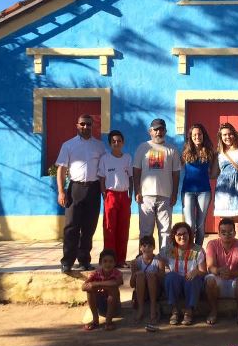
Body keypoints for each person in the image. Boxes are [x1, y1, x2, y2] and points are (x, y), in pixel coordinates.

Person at [56, 114, 106, 273]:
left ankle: (84, 260)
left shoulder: (99, 146)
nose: (86, 127)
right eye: (83, 124)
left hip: (93, 189)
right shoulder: (68, 145)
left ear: (93, 126)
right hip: (75, 188)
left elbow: (104, 169)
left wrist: (105, 190)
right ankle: (67, 261)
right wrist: (61, 191)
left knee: (89, 227)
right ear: (77, 125)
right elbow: (61, 169)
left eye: (89, 124)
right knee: (71, 227)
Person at [133, 118, 181, 249]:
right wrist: (137, 191)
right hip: (145, 196)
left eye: (161, 129)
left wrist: (174, 193)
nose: (158, 132)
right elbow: (136, 171)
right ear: (150, 131)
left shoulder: (172, 150)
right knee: (145, 231)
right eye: (156, 129)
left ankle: (163, 259)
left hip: (165, 196)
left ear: (165, 131)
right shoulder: (142, 148)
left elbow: (176, 174)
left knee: (165, 230)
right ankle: (144, 259)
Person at [204, 217, 238, 325]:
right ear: (219, 233)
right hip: (218, 280)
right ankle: (213, 311)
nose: (227, 234)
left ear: (235, 233)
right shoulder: (212, 244)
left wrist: (229, 273)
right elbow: (210, 267)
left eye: (230, 232)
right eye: (223, 232)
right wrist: (219, 271)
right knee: (210, 280)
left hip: (235, 280)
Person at [98, 129, 133, 267]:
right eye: (113, 141)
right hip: (110, 195)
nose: (116, 143)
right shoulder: (105, 159)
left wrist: (130, 194)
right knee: (109, 228)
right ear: (110, 144)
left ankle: (121, 260)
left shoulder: (127, 158)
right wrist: (104, 194)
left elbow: (131, 178)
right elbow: (101, 179)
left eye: (119, 141)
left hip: (124, 196)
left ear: (123, 143)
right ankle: (109, 260)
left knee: (123, 228)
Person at [160, 222, 206, 326]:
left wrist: (196, 271)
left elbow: (204, 271)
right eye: (178, 234)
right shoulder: (168, 249)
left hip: (190, 282)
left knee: (194, 278)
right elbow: (158, 260)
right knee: (170, 276)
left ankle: (189, 311)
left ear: (190, 234)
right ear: (174, 236)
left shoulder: (197, 250)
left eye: (185, 233)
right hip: (175, 283)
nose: (182, 237)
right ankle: (174, 310)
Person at [212, 123, 238, 242]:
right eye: (224, 135)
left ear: (234, 134)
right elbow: (214, 174)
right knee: (225, 227)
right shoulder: (219, 153)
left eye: (230, 134)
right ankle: (226, 255)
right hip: (224, 193)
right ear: (221, 137)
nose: (227, 137)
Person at [181, 123, 216, 246]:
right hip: (187, 191)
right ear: (190, 137)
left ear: (203, 136)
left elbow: (214, 172)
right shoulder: (185, 152)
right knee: (190, 224)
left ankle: (197, 252)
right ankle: (189, 250)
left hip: (204, 192)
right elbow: (175, 168)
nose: (197, 137)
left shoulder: (210, 152)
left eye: (199, 134)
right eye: (194, 134)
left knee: (200, 225)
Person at [82, 248, 123, 331]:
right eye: (105, 261)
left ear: (115, 263)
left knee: (112, 288)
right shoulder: (95, 273)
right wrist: (93, 286)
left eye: (111, 261)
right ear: (100, 263)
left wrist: (97, 284)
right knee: (90, 289)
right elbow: (83, 287)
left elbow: (116, 283)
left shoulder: (117, 273)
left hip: (114, 308)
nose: (108, 264)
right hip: (100, 307)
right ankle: (95, 320)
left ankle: (108, 321)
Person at [130, 235, 165, 330]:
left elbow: (163, 280)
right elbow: (132, 284)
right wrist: (135, 274)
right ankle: (140, 309)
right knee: (141, 275)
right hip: (142, 292)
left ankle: (153, 307)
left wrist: (155, 275)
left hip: (156, 291)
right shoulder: (136, 262)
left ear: (154, 247)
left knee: (150, 275)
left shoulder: (159, 260)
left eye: (150, 246)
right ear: (140, 248)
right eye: (144, 246)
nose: (147, 248)